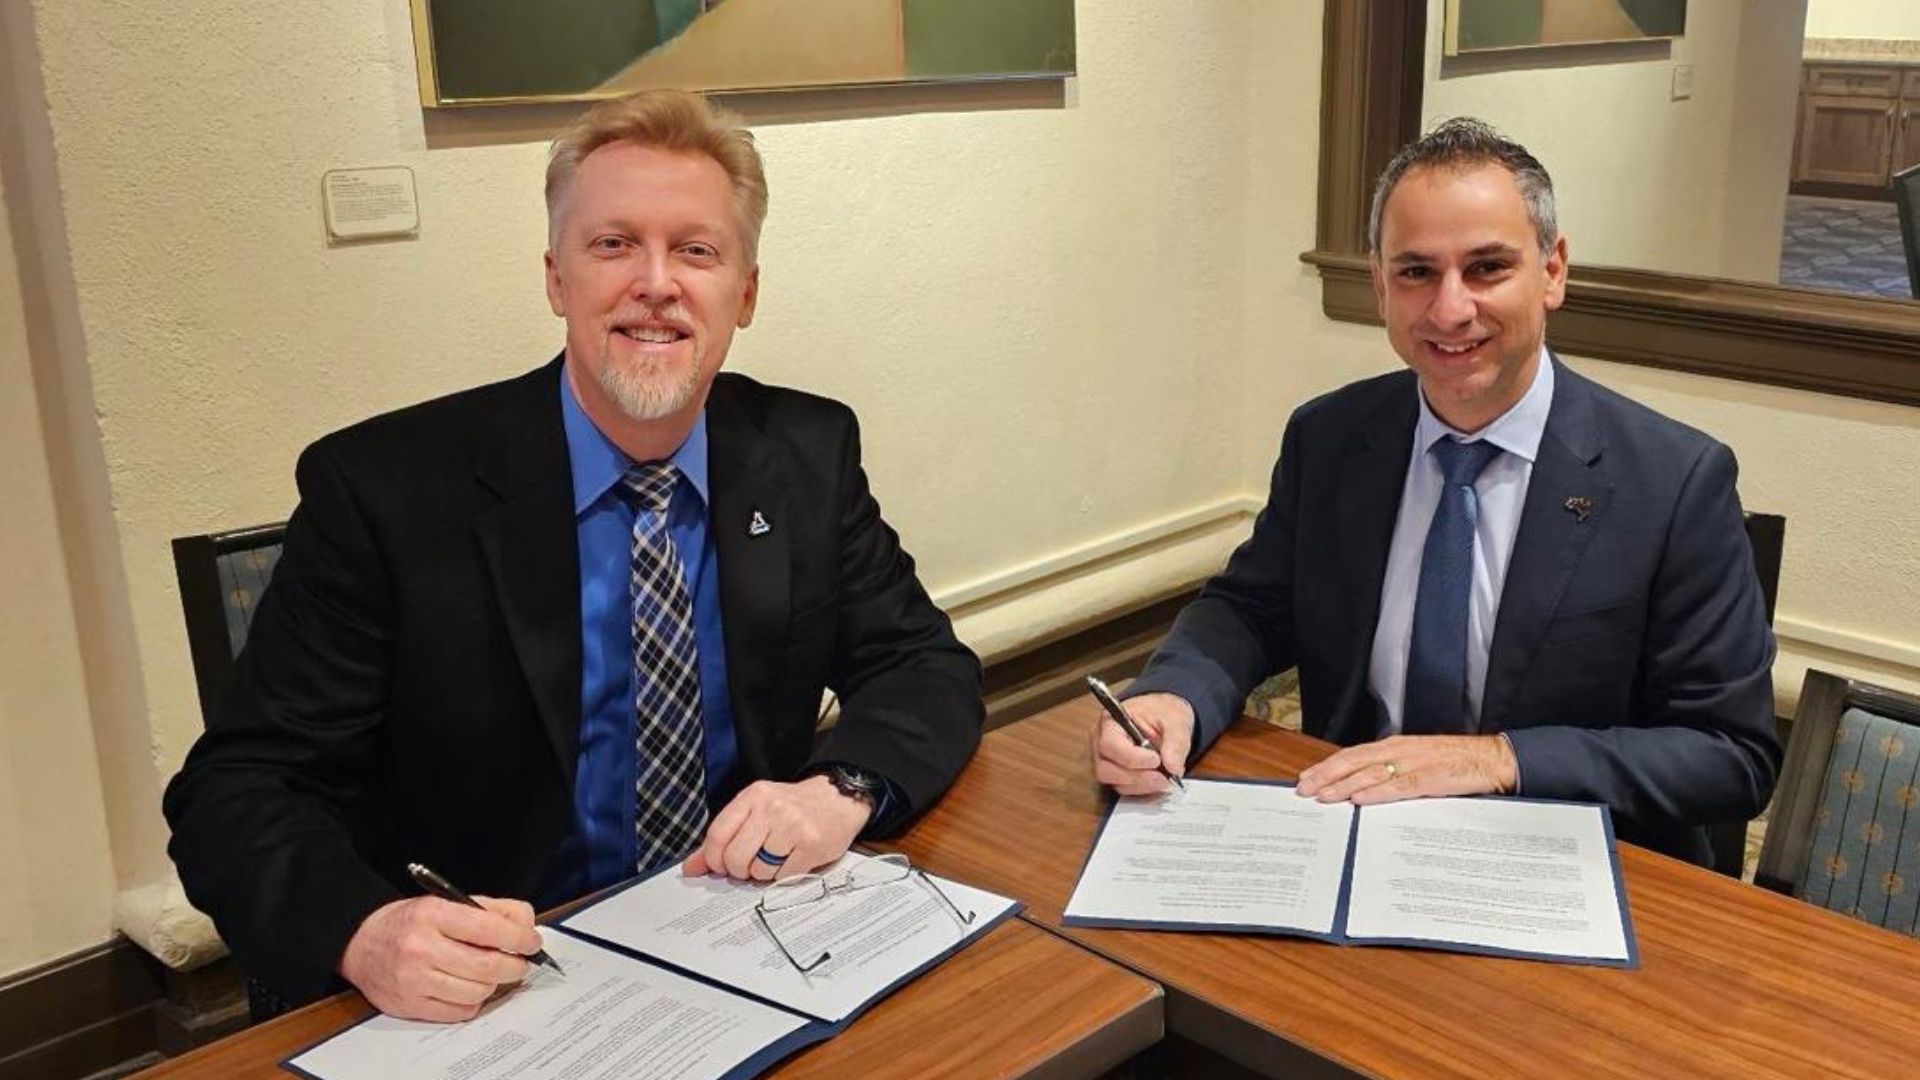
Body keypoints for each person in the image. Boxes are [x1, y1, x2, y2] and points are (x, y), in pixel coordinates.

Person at [164, 90, 983, 1021]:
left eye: (697, 250)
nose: (657, 283)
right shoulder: (383, 492)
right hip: (503, 982)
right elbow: (234, 792)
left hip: (743, 942)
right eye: (613, 245)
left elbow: (924, 666)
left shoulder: (804, 452)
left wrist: (844, 788)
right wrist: (364, 928)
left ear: (745, 294)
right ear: (556, 278)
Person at [1092, 118, 1779, 867]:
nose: (1451, 310)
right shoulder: (1330, 438)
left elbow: (1730, 754)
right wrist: (1173, 694)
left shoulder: (1674, 481)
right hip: (1352, 842)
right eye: (1417, 272)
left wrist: (1497, 760)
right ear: (1379, 284)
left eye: (1487, 268)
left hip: (1568, 865)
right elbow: (1252, 608)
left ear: (1552, 271)